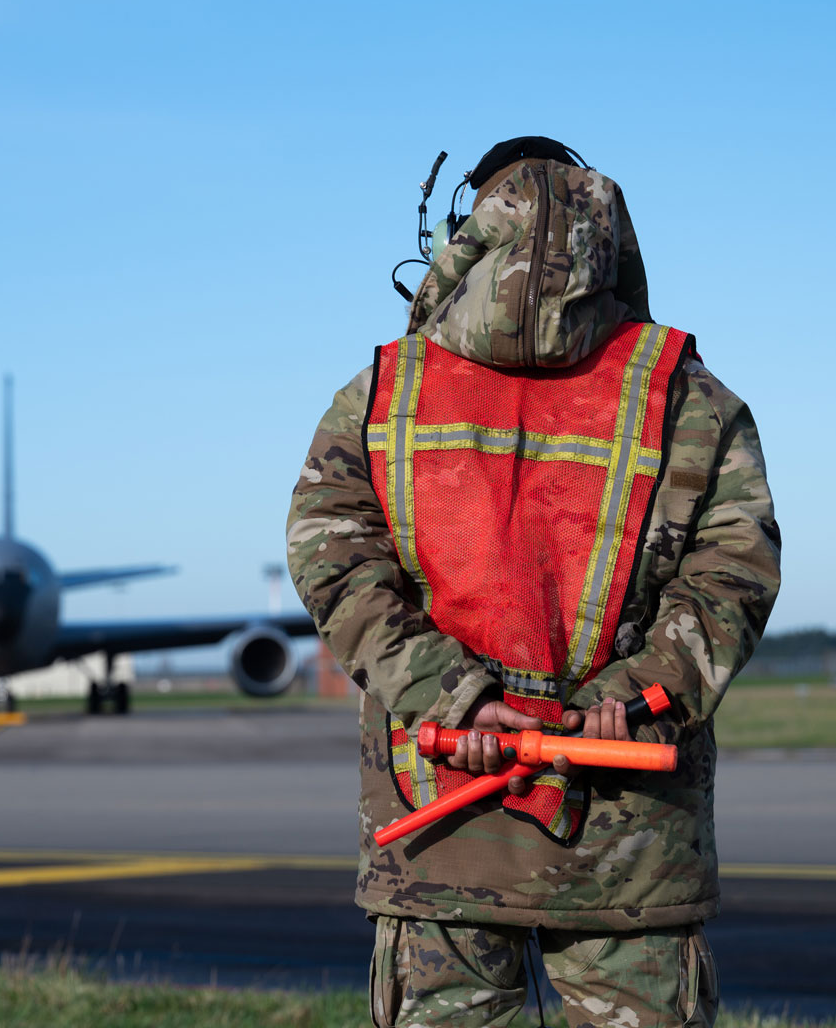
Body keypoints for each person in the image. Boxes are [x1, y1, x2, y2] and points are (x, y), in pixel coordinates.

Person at [285, 137, 780, 1028]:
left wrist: (455, 700)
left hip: (437, 812)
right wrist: (638, 696)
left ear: (464, 235)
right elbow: (732, 574)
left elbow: (333, 559)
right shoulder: (688, 397)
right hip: (630, 834)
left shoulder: (382, 395)